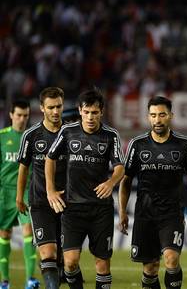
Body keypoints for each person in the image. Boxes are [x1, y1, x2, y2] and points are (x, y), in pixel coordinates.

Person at [118, 96, 187, 289]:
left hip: (171, 213)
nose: (157, 120)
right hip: (145, 214)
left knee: (171, 259)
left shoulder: (183, 145)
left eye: (161, 115)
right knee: (150, 268)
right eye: (153, 115)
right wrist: (123, 211)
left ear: (170, 116)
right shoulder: (137, 144)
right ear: (148, 117)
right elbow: (126, 180)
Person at [45, 89, 125, 289]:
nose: (90, 117)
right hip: (73, 208)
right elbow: (50, 158)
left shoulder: (110, 135)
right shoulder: (68, 131)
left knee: (102, 263)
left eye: (95, 112)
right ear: (80, 111)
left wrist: (110, 182)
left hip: (101, 209)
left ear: (101, 112)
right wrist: (50, 190)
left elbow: (120, 167)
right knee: (70, 262)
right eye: (87, 112)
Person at [16, 87, 65, 289]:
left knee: (65, 258)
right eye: (51, 107)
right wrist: (20, 197)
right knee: (48, 252)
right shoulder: (31, 135)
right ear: (42, 108)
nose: (55, 111)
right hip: (39, 202)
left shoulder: (71, 133)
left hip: (68, 203)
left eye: (59, 107)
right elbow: (23, 169)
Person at [0, 100, 38, 289]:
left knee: (28, 232)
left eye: (25, 115)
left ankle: (30, 279)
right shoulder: (2, 137)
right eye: (19, 115)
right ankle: (4, 281)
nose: (22, 119)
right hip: (4, 193)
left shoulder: (31, 137)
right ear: (11, 115)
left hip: (25, 191)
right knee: (4, 234)